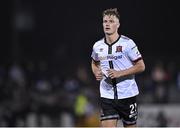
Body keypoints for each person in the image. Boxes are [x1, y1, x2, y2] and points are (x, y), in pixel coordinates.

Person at [91, 8, 145, 127]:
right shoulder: (97, 46)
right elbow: (94, 62)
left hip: (127, 95)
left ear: (118, 24)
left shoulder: (128, 43)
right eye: (105, 21)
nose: (107, 24)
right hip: (107, 96)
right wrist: (96, 72)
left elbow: (141, 66)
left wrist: (119, 73)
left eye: (111, 21)